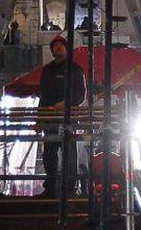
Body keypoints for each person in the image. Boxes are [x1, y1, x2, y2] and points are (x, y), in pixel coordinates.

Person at [38, 34, 87, 198]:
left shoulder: (75, 69)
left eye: (61, 46)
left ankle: (69, 189)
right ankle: (50, 187)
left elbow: (81, 95)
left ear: (66, 49)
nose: (58, 48)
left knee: (69, 154)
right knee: (49, 154)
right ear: (52, 50)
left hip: (68, 119)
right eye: (55, 46)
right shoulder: (47, 70)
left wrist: (66, 104)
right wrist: (40, 118)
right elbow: (43, 96)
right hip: (50, 119)